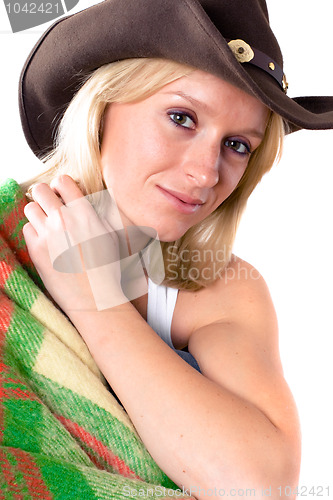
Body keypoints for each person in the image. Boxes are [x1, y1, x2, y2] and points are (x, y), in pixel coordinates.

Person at [8, 0, 333, 497]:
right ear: (102, 108)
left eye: (237, 145)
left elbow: (261, 487)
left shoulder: (218, 289)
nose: (206, 173)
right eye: (182, 117)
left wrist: (97, 300)